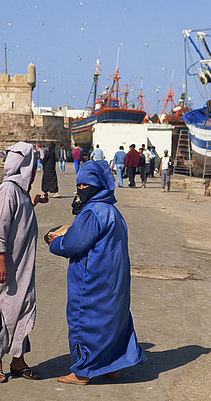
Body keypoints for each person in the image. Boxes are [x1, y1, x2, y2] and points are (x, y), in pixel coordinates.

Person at [47, 161, 146, 385]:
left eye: (86, 185)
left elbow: (74, 244)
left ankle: (82, 371)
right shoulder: (113, 211)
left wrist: (56, 242)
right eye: (79, 185)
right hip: (114, 279)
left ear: (98, 185)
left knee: (87, 322)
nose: (81, 189)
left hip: (92, 280)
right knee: (112, 321)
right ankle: (111, 367)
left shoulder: (93, 212)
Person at [0, 141, 48, 384]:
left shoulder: (19, 192)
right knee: (2, 309)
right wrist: (0, 260)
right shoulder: (8, 191)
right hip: (5, 265)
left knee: (22, 308)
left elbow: (18, 219)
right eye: (33, 166)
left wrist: (34, 202)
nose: (35, 172)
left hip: (20, 265)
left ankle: (18, 360)